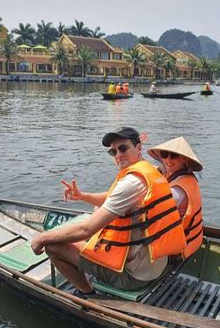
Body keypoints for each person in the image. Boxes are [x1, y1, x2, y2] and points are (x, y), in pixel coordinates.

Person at [31, 127, 186, 296]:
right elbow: (112, 197)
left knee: (53, 246)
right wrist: (83, 196)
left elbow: (86, 230)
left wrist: (42, 237)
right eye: (112, 151)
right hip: (155, 266)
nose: (118, 155)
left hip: (132, 277)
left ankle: (86, 293)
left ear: (139, 147)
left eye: (123, 148)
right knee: (97, 214)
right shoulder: (151, 171)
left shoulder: (131, 183)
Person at [147, 136, 204, 260]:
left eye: (173, 156)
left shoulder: (178, 190)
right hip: (191, 240)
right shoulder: (181, 175)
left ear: (184, 159)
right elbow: (159, 168)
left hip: (178, 249)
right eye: (164, 154)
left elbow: (150, 212)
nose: (168, 160)